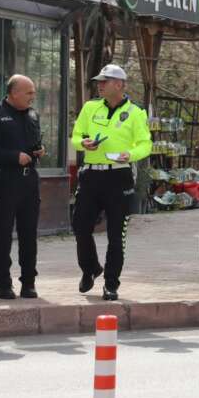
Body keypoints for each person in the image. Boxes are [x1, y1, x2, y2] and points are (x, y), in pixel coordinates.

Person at [70, 64, 152, 301]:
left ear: (119, 84)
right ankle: (90, 268)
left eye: (104, 81)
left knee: (117, 234)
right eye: (99, 81)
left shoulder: (136, 112)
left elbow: (145, 144)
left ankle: (111, 283)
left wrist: (131, 155)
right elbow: (76, 136)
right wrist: (83, 143)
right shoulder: (90, 107)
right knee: (80, 227)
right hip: (91, 175)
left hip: (119, 176)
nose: (100, 85)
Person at [0, 75, 44, 299]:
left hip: (29, 182)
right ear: (14, 93)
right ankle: (3, 284)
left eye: (33, 92)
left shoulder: (32, 114)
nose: (32, 97)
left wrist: (39, 150)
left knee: (29, 235)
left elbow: (35, 142)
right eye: (29, 93)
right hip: (5, 181)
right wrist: (12, 157)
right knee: (3, 235)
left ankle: (28, 283)